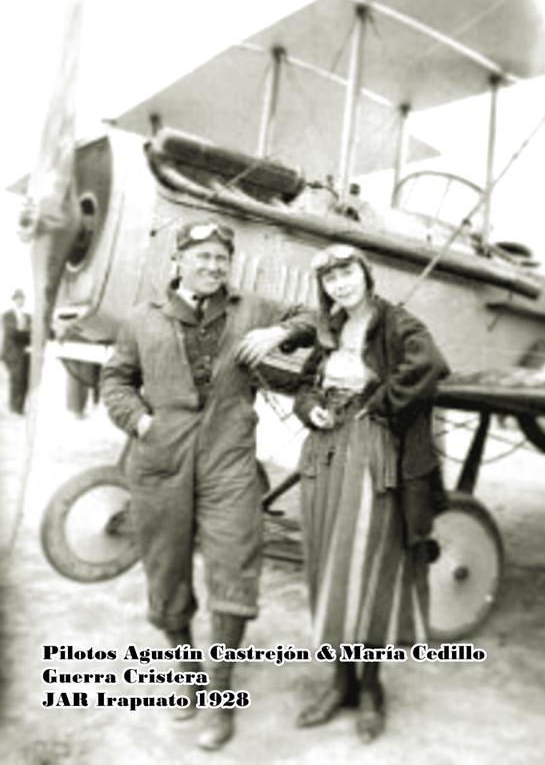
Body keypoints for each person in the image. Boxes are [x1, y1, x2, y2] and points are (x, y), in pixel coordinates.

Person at [101, 221, 314, 750]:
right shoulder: (141, 319)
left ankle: (222, 699)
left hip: (229, 462)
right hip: (160, 462)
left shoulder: (251, 309)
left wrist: (279, 333)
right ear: (178, 263)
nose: (213, 267)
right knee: (166, 577)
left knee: (235, 570)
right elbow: (116, 379)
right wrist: (140, 422)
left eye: (221, 258)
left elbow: (313, 315)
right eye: (202, 258)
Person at [293, 244, 450, 743]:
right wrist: (310, 406)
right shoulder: (329, 329)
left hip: (370, 451)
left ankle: (371, 689)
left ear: (365, 274)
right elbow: (302, 385)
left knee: (366, 568)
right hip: (323, 452)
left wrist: (378, 403)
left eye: (347, 273)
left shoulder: (396, 322)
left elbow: (428, 365)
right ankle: (340, 684)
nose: (340, 284)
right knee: (326, 566)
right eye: (331, 279)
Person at [1, 289, 31, 415]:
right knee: (16, 379)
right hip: (12, 354)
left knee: (25, 380)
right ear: (13, 300)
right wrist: (26, 333)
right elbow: (12, 333)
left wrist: (24, 332)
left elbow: (32, 334)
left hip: (25, 353)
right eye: (18, 299)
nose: (20, 301)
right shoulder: (6, 316)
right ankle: (14, 408)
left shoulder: (28, 317)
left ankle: (20, 407)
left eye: (22, 298)